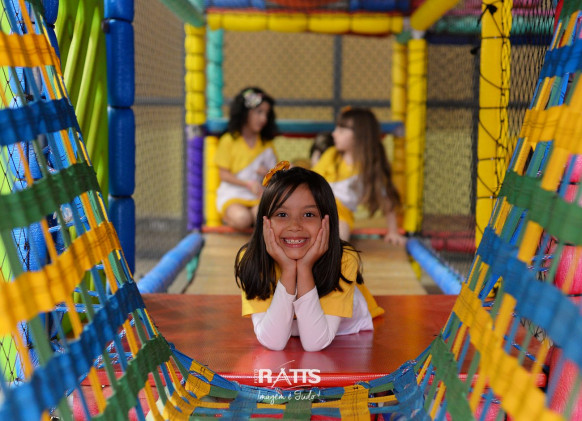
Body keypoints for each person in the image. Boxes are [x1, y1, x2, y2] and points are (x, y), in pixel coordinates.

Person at [235, 162, 384, 351]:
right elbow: (273, 342)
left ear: (327, 220)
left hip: (344, 330)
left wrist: (304, 269)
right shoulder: (252, 259)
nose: (295, 225)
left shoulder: (344, 259)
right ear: (265, 222)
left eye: (308, 214)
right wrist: (289, 270)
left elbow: (315, 343)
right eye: (282, 214)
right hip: (290, 328)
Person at [312, 107, 405, 245]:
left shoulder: (369, 167)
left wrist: (393, 231)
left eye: (341, 130)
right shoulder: (332, 155)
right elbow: (312, 180)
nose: (334, 133)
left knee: (339, 238)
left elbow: (387, 200)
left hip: (340, 215)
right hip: (315, 205)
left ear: (360, 136)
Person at [215, 87, 279, 230]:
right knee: (242, 219)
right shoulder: (229, 140)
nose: (264, 119)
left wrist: (268, 173)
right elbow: (223, 174)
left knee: (262, 218)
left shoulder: (266, 144)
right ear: (245, 112)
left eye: (266, 114)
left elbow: (276, 174)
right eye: (259, 112)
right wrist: (247, 184)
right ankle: (229, 218)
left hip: (258, 195)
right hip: (233, 194)